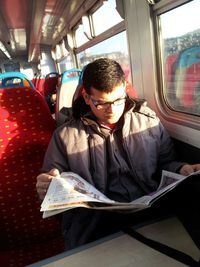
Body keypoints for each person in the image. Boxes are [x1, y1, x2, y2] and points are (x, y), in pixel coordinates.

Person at [36, 58, 200, 250]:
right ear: (87, 98)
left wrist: (181, 168)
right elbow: (52, 182)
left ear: (124, 89)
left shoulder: (149, 122)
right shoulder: (65, 136)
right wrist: (46, 186)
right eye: (102, 103)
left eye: (118, 100)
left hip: (152, 211)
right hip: (96, 224)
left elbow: (166, 163)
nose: (112, 109)